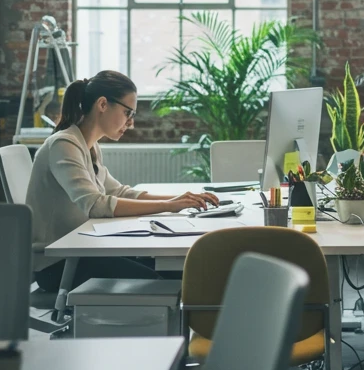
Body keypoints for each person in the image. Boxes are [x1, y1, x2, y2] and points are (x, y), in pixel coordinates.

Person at [26, 70, 219, 293]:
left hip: (83, 250)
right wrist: (170, 206)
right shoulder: (63, 145)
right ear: (102, 104)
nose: (131, 123)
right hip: (58, 264)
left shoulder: (88, 145)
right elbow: (96, 206)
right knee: (160, 280)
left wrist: (181, 200)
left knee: (174, 270)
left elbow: (120, 192)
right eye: (128, 112)